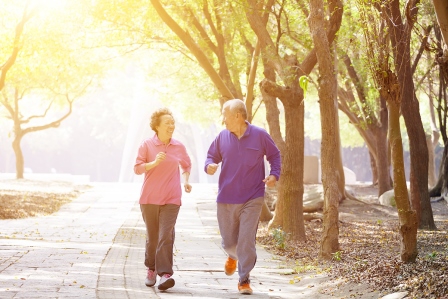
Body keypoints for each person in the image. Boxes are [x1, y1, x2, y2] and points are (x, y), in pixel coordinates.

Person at [204, 99, 281, 295]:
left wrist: (274, 175)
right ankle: (232, 254)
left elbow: (274, 155)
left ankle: (244, 279)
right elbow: (211, 156)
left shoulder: (260, 135)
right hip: (226, 198)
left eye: (225, 115)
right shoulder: (222, 137)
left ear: (237, 115)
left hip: (252, 197)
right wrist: (209, 166)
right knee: (229, 241)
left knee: (246, 240)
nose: (223, 120)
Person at [134, 108, 192, 291]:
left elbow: (186, 165)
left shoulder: (178, 146)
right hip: (149, 198)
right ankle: (151, 268)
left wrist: (186, 181)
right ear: (157, 126)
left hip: (172, 198)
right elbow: (137, 168)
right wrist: (154, 163)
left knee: (165, 235)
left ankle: (165, 274)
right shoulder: (146, 145)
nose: (171, 126)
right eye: (167, 123)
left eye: (172, 123)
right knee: (153, 237)